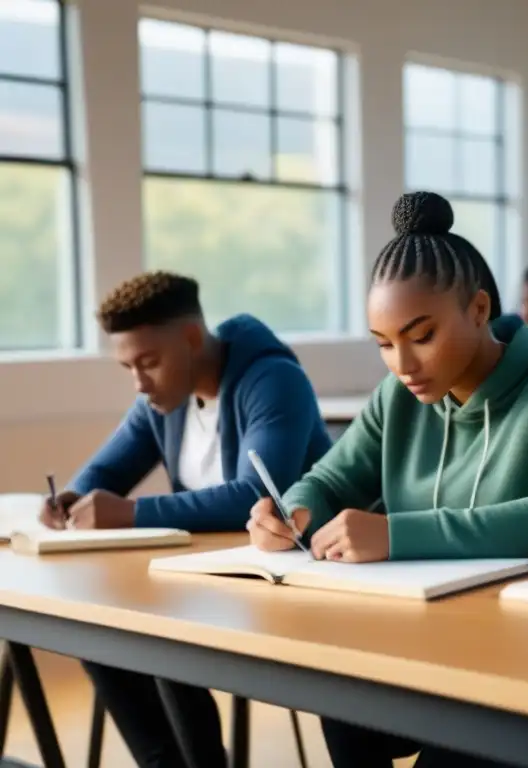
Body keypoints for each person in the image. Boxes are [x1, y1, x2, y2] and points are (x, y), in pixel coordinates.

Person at [248, 191, 528, 767]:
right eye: (385, 345)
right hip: (425, 639)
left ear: (479, 309)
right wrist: (292, 508)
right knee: (338, 693)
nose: (402, 364)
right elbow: (329, 480)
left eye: (421, 336)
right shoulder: (398, 395)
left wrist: (396, 534)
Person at [41, 271, 332, 768]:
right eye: (128, 367)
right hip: (207, 581)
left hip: (292, 581)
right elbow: (105, 472)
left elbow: (256, 495)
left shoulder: (273, 380)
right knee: (99, 630)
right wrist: (72, 495)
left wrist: (129, 513)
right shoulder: (160, 401)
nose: (139, 381)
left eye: (149, 362)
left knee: (156, 633)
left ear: (192, 338)